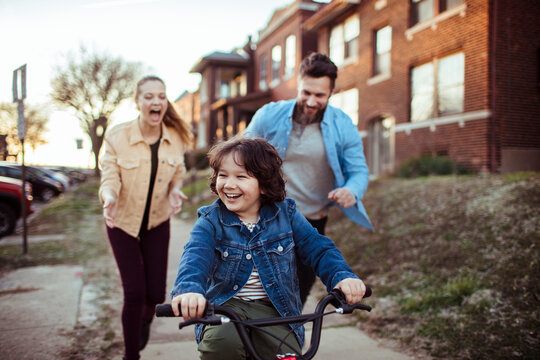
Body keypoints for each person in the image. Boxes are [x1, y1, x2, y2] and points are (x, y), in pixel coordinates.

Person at [169, 136, 367, 360]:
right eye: (223, 175)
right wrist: (189, 290)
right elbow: (194, 257)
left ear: (263, 184)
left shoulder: (286, 215)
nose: (229, 184)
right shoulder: (210, 221)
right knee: (222, 346)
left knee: (285, 354)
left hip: (275, 309)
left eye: (241, 177)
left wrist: (342, 277)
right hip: (226, 306)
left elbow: (319, 248)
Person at [244, 52, 373, 305]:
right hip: (268, 216)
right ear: (298, 85)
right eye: (306, 93)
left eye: (320, 95)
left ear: (331, 92)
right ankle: (260, 341)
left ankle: (286, 343)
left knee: (297, 293)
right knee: (261, 292)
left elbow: (359, 171)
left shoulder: (343, 125)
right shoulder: (269, 115)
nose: (312, 101)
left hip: (312, 221)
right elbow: (240, 155)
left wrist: (351, 190)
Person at [99, 75, 192, 360]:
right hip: (122, 222)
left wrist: (176, 190)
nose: (156, 102)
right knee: (135, 292)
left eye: (161, 96)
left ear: (166, 102)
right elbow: (109, 175)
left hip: (157, 222)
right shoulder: (117, 136)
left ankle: (145, 320)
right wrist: (110, 196)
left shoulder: (175, 137)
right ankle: (131, 355)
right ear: (137, 101)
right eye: (149, 96)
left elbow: (179, 173)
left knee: (155, 295)